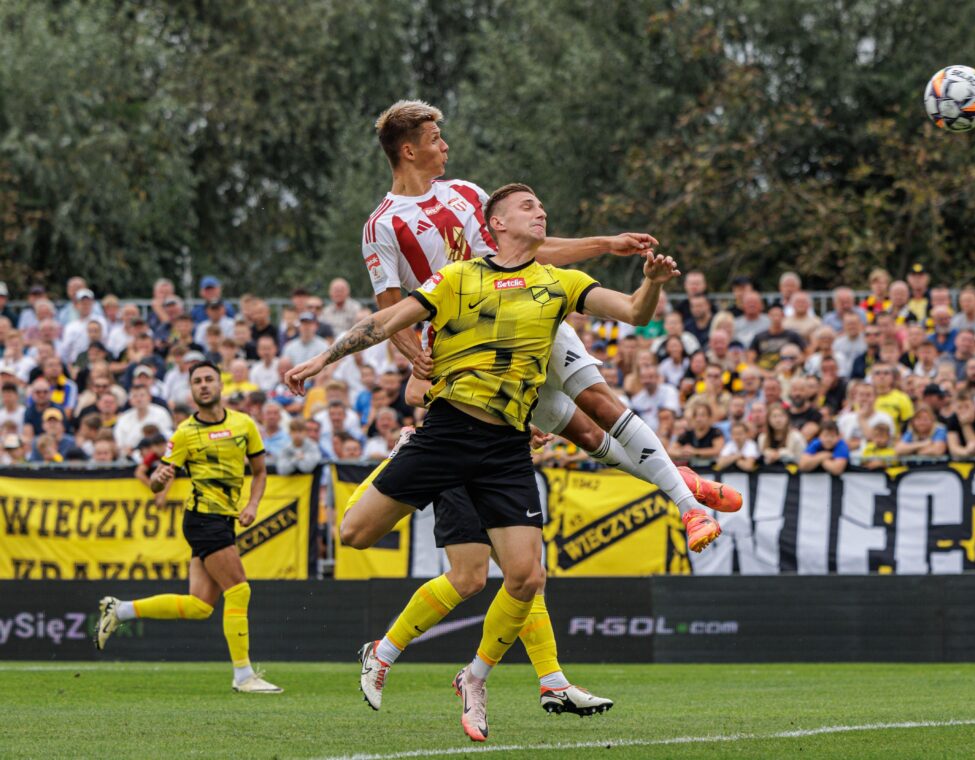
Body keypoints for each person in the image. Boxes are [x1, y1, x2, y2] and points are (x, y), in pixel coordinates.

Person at [284, 181, 694, 741]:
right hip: (449, 433)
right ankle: (395, 639)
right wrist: (318, 360)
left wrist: (649, 285)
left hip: (505, 449)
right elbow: (384, 322)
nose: (541, 211)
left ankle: (476, 678)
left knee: (526, 578)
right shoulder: (457, 278)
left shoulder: (560, 281)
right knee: (353, 534)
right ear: (495, 222)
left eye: (541, 205)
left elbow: (629, 312)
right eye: (528, 206)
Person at [95, 361, 281, 694]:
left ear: (220, 386)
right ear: (191, 390)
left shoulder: (244, 424)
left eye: (209, 379)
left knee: (200, 606)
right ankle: (243, 675)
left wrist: (252, 504)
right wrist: (158, 479)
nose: (204, 385)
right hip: (202, 519)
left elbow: (260, 472)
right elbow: (156, 482)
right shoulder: (183, 433)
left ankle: (120, 610)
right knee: (239, 590)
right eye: (197, 381)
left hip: (223, 519)